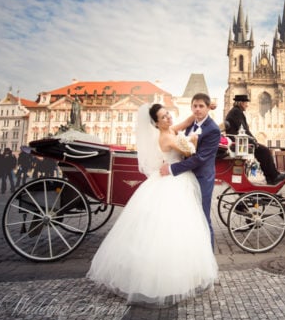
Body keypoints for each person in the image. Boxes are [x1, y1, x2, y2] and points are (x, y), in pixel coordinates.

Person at [87, 102, 218, 307]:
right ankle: (167, 278)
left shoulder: (171, 130)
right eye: (163, 117)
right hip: (173, 182)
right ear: (156, 123)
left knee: (177, 226)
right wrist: (193, 138)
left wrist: (205, 109)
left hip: (170, 179)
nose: (168, 118)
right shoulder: (166, 136)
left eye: (168, 114)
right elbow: (189, 152)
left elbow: (186, 121)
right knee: (172, 227)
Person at [160, 93, 221, 248]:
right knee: (188, 216)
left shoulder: (213, 130)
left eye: (201, 106)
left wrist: (172, 168)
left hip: (202, 178)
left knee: (203, 216)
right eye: (195, 106)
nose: (198, 109)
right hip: (187, 177)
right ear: (191, 107)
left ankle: (209, 254)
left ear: (208, 108)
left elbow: (200, 158)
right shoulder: (192, 122)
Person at [225, 94, 285, 185]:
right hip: (240, 143)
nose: (247, 105)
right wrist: (253, 141)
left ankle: (270, 177)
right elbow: (243, 130)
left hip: (239, 141)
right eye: (246, 103)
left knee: (262, 151)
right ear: (241, 103)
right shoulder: (237, 112)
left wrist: (253, 140)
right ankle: (273, 176)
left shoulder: (235, 111)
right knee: (265, 151)